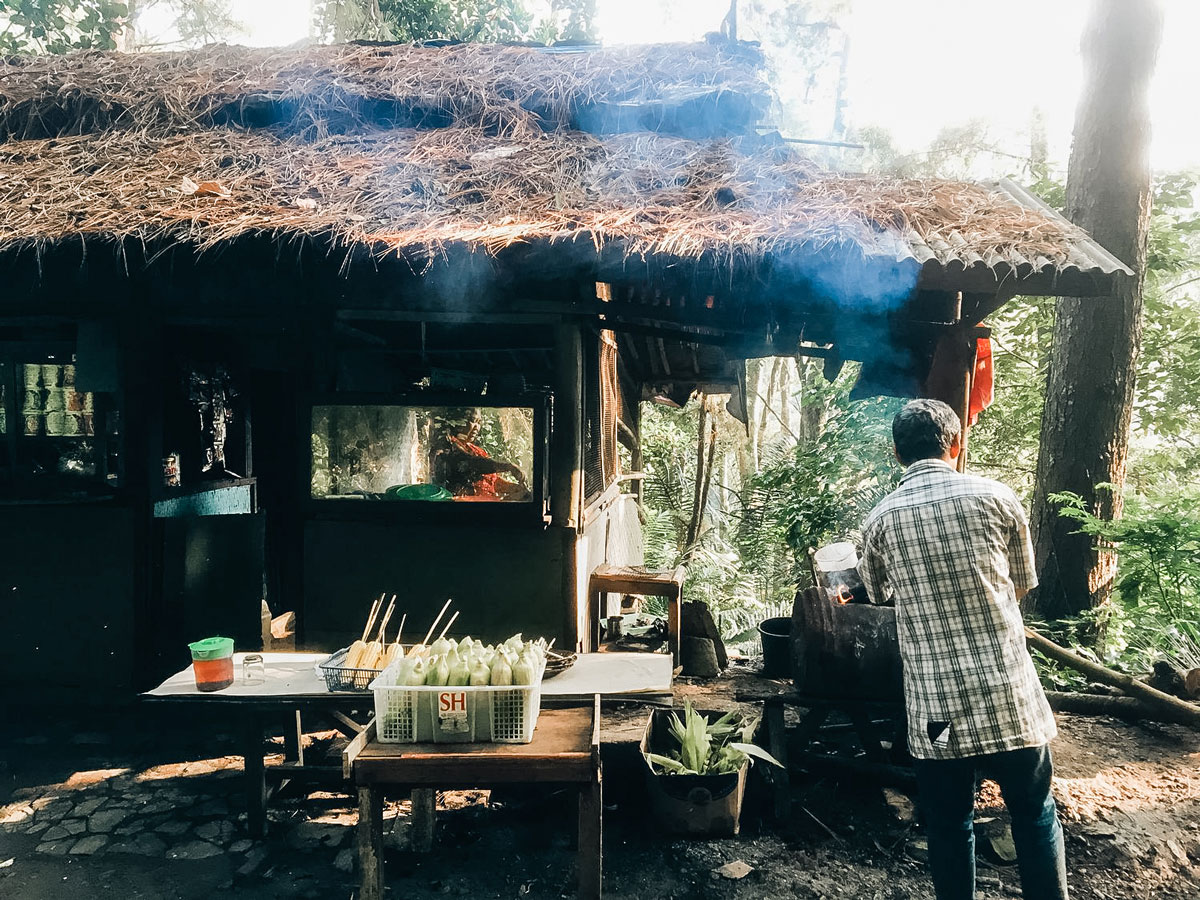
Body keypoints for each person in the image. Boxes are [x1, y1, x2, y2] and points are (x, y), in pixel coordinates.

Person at [858, 398, 1067, 900]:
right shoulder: (997, 497)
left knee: (951, 825)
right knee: (1034, 813)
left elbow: (877, 594)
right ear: (956, 443)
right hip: (1008, 695)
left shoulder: (879, 521)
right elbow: (1020, 584)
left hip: (937, 707)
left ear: (895, 453)